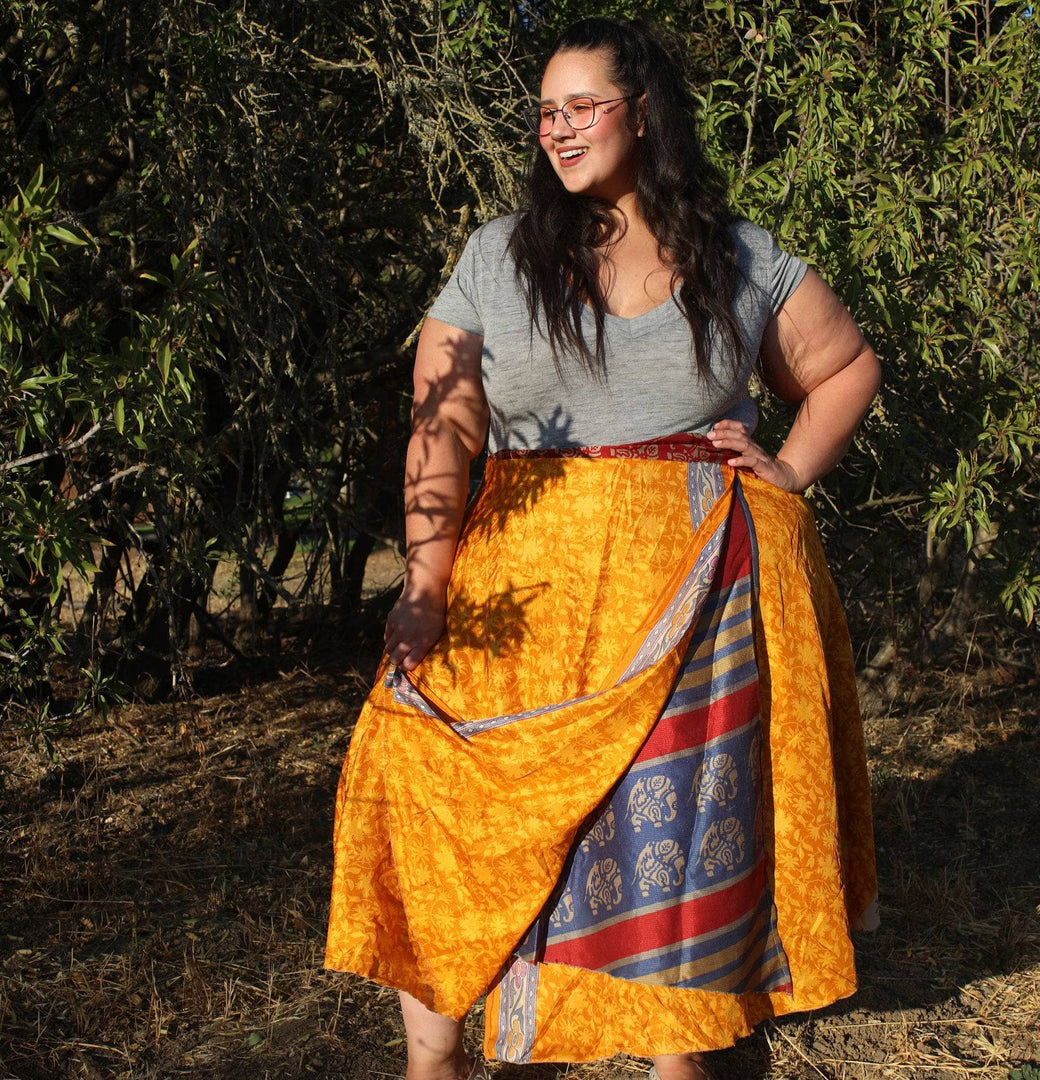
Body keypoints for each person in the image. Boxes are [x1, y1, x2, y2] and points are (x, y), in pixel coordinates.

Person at [326, 17, 880, 1080]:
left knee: (665, 855)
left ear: (644, 112)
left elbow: (845, 366)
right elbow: (442, 425)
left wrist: (791, 468)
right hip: (519, 593)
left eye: (582, 105)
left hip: (694, 602)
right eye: (546, 111)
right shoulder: (496, 256)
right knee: (452, 800)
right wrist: (425, 584)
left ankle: (688, 1056)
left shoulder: (735, 252)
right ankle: (433, 1063)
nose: (558, 128)